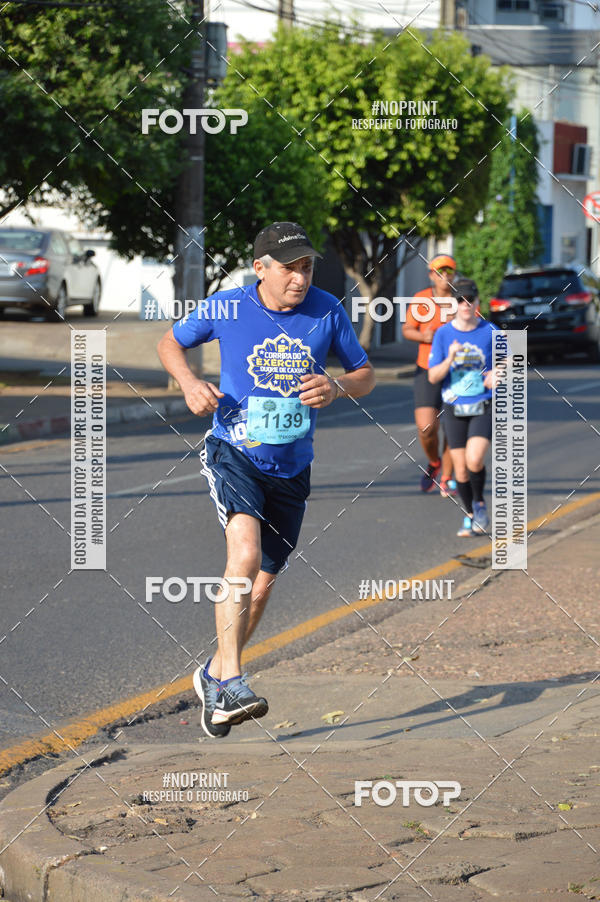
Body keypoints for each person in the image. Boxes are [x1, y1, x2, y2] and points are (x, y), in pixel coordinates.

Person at [157, 222, 375, 738]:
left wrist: (337, 387)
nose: (300, 277)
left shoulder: (327, 309)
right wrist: (188, 382)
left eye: (306, 267)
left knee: (262, 585)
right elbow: (170, 341)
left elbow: (364, 374)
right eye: (289, 267)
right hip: (235, 452)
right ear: (261, 268)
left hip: (294, 465)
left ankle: (213, 675)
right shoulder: (227, 306)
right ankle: (233, 681)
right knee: (245, 555)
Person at [427, 278, 498, 537]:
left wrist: (500, 371)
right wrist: (450, 358)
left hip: (483, 403)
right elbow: (433, 376)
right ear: (453, 304)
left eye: (470, 300)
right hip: (454, 407)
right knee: (459, 470)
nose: (465, 305)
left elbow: (514, 358)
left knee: (474, 459)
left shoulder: (490, 331)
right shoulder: (444, 334)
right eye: (460, 300)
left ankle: (479, 502)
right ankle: (471, 513)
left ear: (478, 303)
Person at [402, 254, 457, 497]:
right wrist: (424, 337)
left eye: (448, 271)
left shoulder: (462, 299)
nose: (444, 276)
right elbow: (407, 330)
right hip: (427, 368)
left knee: (454, 427)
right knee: (426, 427)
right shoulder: (422, 299)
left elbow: (477, 328)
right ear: (431, 275)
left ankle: (447, 477)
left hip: (457, 371)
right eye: (439, 272)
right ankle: (434, 462)